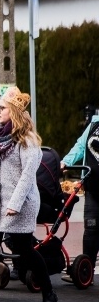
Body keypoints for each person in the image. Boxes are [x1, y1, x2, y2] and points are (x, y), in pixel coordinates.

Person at [0, 87, 54, 302]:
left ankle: (48, 292)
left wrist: (15, 204)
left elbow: (27, 177)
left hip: (19, 205)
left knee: (25, 250)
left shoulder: (27, 141)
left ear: (14, 111)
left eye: (3, 107)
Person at [61, 108, 99, 285]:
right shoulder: (94, 123)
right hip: (93, 187)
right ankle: (86, 271)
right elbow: (80, 146)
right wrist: (65, 162)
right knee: (91, 229)